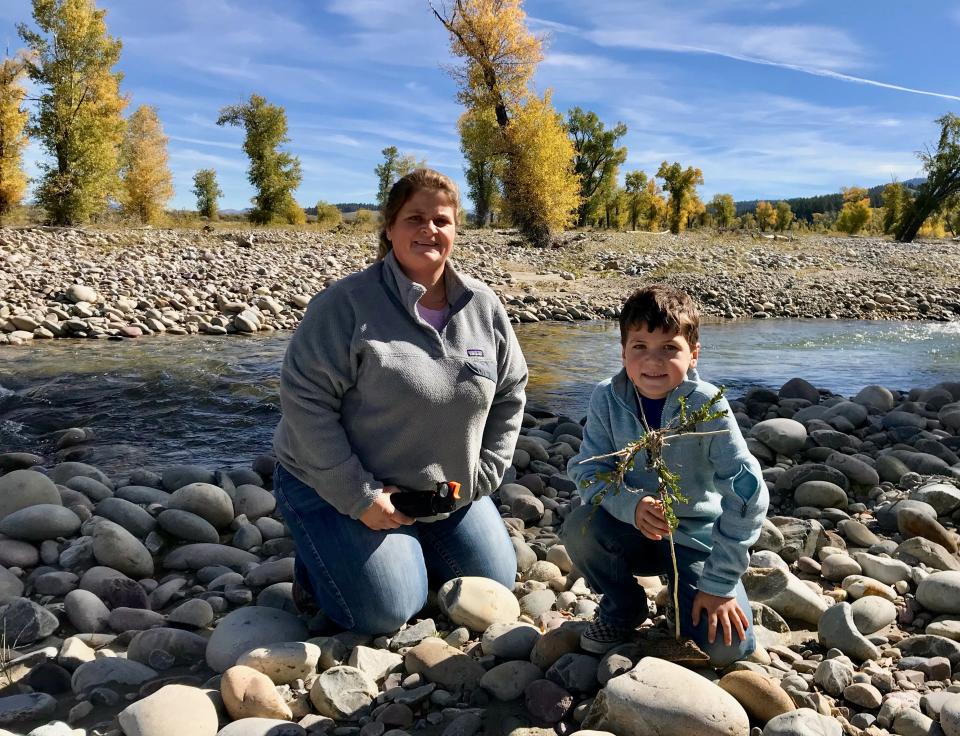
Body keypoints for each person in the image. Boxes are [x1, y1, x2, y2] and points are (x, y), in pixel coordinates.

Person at [272, 168, 527, 634]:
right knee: (386, 611)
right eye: (414, 218)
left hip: (443, 492)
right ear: (389, 229)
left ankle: (400, 548)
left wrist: (485, 472)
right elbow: (305, 402)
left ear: (455, 230)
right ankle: (317, 564)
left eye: (441, 220)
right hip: (335, 483)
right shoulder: (345, 305)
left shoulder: (483, 307)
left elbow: (511, 389)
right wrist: (360, 496)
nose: (429, 229)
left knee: (494, 583)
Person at [561, 284, 768, 666]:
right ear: (623, 353)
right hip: (629, 532)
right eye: (639, 347)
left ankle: (682, 595)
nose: (652, 361)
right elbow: (588, 470)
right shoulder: (607, 398)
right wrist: (631, 504)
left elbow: (748, 494)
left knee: (727, 650)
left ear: (693, 355)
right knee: (580, 525)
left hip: (693, 538)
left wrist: (720, 584)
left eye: (669, 348)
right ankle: (623, 607)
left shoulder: (708, 406)